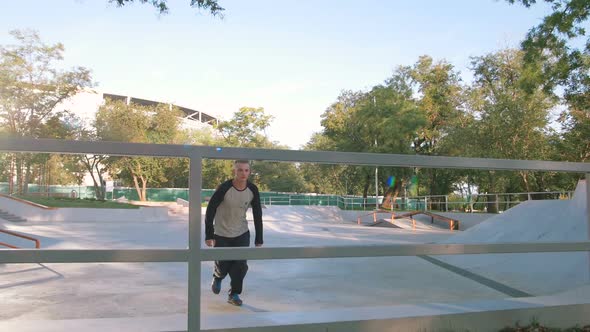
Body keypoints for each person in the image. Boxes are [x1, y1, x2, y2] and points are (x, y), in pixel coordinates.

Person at [204, 159, 263, 306]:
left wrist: (259, 238)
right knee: (223, 263)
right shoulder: (224, 188)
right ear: (234, 171)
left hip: (241, 232)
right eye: (240, 170)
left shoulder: (253, 189)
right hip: (221, 232)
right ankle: (218, 276)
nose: (243, 173)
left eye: (246, 170)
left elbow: (257, 213)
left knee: (240, 265)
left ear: (249, 172)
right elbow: (210, 210)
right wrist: (209, 234)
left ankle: (234, 294)